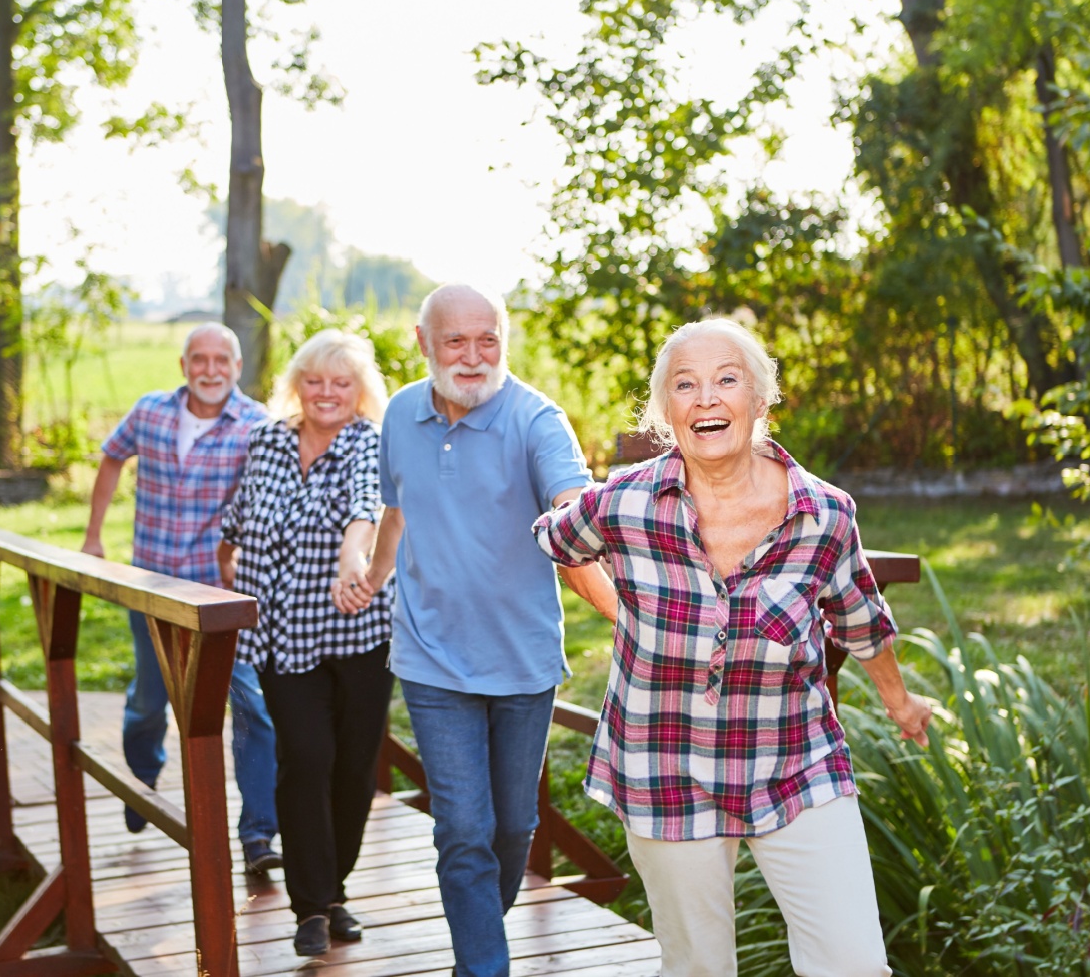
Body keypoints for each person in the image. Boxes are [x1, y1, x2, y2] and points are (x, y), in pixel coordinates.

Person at [531, 317, 935, 977]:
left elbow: (861, 619)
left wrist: (900, 700)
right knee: (699, 969)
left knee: (854, 963)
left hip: (795, 761)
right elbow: (560, 541)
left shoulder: (824, 514)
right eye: (685, 385)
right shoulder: (626, 501)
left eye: (726, 379)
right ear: (668, 412)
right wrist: (620, 611)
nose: (706, 398)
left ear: (762, 399)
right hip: (664, 765)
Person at [341, 284, 614, 977]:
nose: (471, 356)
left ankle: (475, 949)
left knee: (512, 828)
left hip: (522, 661)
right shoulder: (401, 413)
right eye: (455, 340)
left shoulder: (536, 420)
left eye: (486, 338)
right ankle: (484, 969)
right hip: (431, 657)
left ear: (505, 339)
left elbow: (572, 508)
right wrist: (374, 576)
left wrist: (626, 607)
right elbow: (395, 512)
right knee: (463, 831)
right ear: (423, 341)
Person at [217, 330, 395, 958]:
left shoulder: (368, 441)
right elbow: (236, 522)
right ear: (298, 384)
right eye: (315, 381)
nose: (326, 393)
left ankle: (336, 890)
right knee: (306, 758)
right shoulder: (266, 439)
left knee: (352, 768)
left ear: (358, 391)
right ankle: (310, 907)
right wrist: (228, 579)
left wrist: (354, 559)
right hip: (281, 636)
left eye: (340, 383)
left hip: (359, 634)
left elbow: (365, 510)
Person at [82, 322, 283, 874]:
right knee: (149, 700)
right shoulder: (149, 410)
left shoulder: (257, 423)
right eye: (200, 359)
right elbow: (110, 456)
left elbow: (269, 498)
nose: (211, 370)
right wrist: (94, 535)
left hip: (222, 596)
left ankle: (259, 834)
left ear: (237, 368)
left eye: (223, 360)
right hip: (150, 587)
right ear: (184, 365)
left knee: (251, 707)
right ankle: (143, 780)